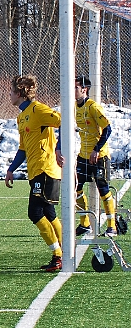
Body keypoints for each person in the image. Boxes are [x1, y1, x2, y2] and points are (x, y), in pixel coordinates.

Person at [5, 75, 63, 272]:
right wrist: (11, 169)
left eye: (11, 92)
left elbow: (62, 121)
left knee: (35, 212)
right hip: (35, 171)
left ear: (20, 93)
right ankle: (63, 252)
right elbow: (23, 149)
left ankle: (58, 254)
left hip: (46, 169)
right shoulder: (21, 117)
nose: (9, 95)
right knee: (49, 212)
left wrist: (59, 149)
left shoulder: (38, 109)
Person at [63, 76, 117, 237]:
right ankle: (84, 223)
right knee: (76, 186)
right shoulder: (73, 107)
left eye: (75, 88)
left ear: (84, 90)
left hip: (99, 156)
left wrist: (97, 149)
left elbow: (108, 129)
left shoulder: (93, 107)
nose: (72, 91)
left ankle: (111, 226)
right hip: (83, 155)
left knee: (103, 189)